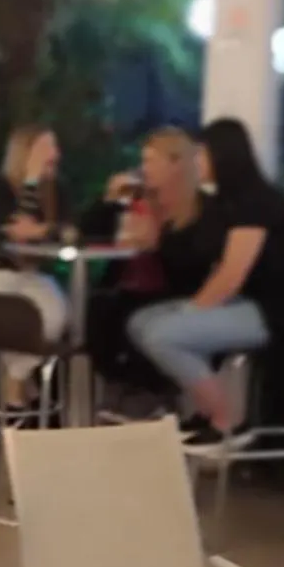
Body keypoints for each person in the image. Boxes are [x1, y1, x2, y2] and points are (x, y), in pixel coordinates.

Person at [127, 117, 284, 449]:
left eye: (201, 154)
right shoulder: (229, 204)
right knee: (141, 322)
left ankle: (228, 420)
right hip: (251, 304)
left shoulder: (255, 204)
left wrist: (191, 311)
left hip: (280, 313)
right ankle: (206, 412)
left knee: (162, 333)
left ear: (222, 155)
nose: (196, 162)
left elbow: (231, 275)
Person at [87, 128, 206, 401]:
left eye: (151, 161)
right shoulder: (137, 199)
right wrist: (107, 201)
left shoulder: (197, 207)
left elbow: (194, 261)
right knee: (97, 310)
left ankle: (150, 395)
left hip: (172, 291)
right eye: (144, 161)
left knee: (136, 320)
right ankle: (122, 389)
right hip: (128, 288)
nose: (144, 169)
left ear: (175, 164)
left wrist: (158, 241)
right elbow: (89, 234)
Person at [0, 125, 70, 400]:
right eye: (47, 148)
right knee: (34, 317)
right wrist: (31, 183)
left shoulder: (56, 190)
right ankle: (17, 390)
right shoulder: (0, 189)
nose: (55, 155)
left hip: (29, 277)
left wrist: (42, 230)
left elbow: (70, 232)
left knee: (56, 312)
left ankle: (15, 378)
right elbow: (16, 239)